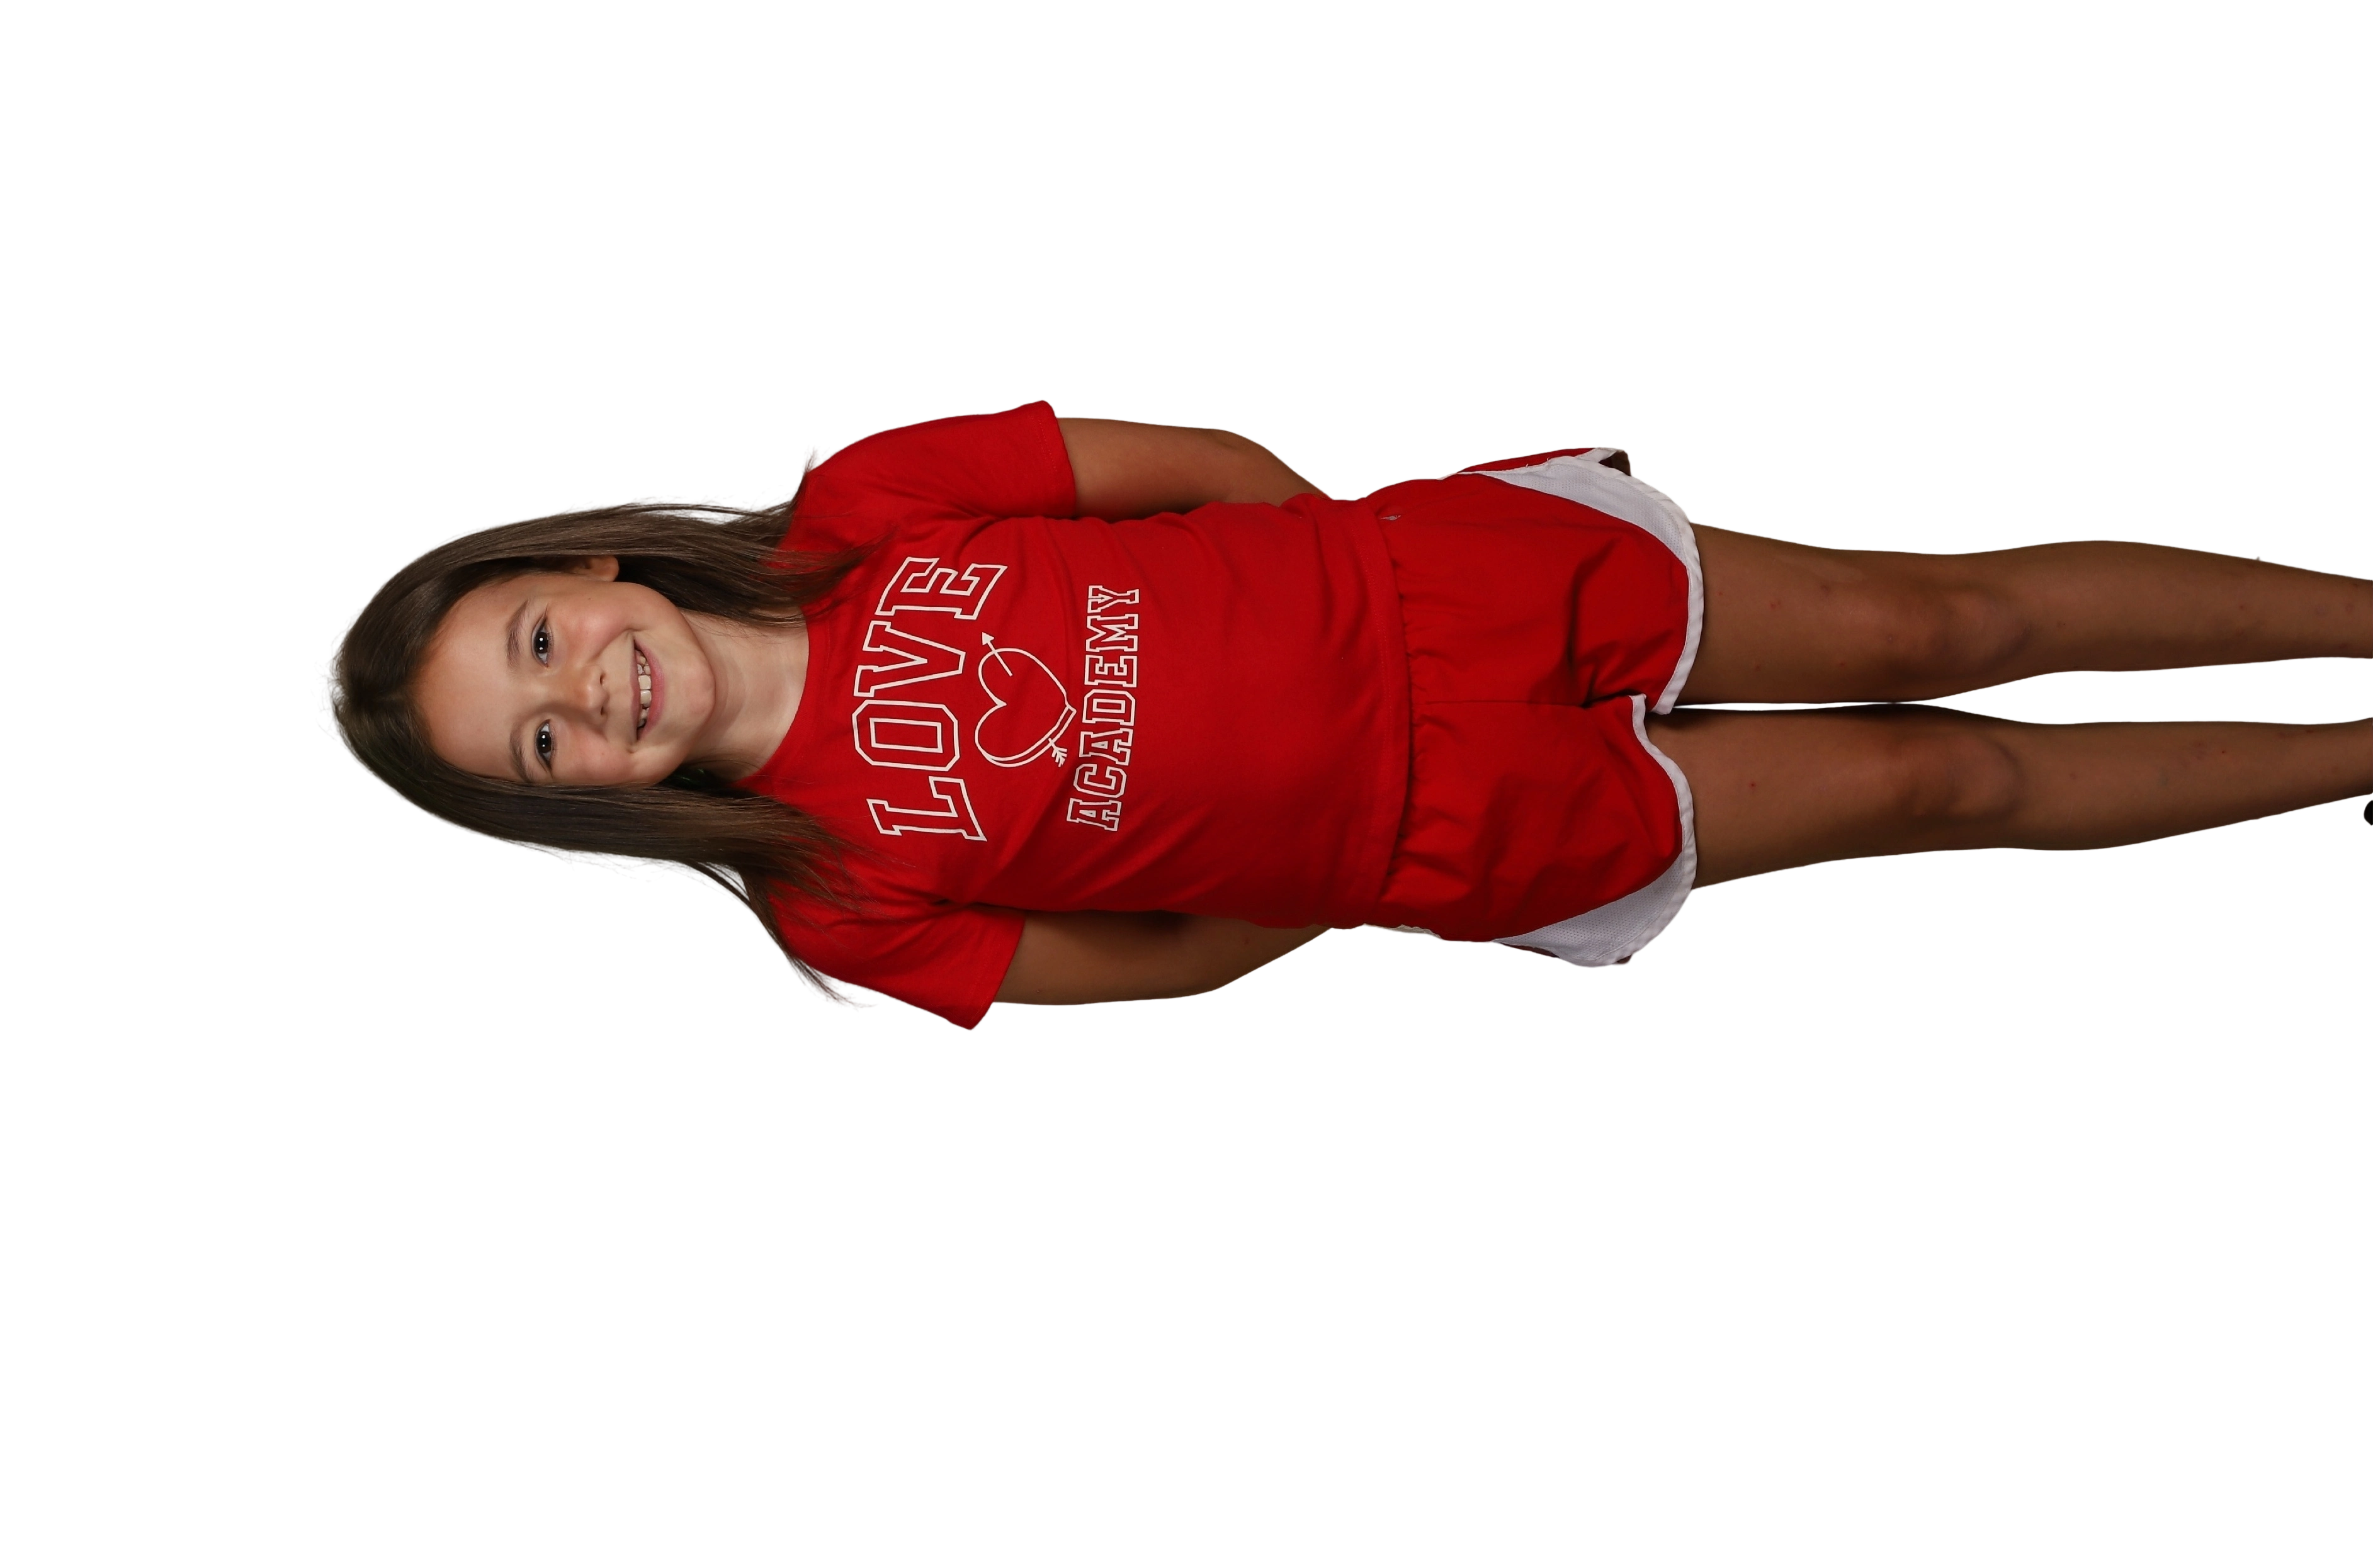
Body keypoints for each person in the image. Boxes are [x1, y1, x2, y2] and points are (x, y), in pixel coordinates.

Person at [312, 394, 2373, 1034]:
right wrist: (1338, 836)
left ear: (593, 571)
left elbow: (1187, 470)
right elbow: (1169, 957)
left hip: (1445, 588)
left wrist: (1340, 589)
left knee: (1939, 614)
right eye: (544, 744)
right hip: (1462, 835)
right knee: (1938, 773)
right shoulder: (840, 909)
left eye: (538, 642)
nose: (586, 694)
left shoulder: (862, 507)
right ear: (584, 811)